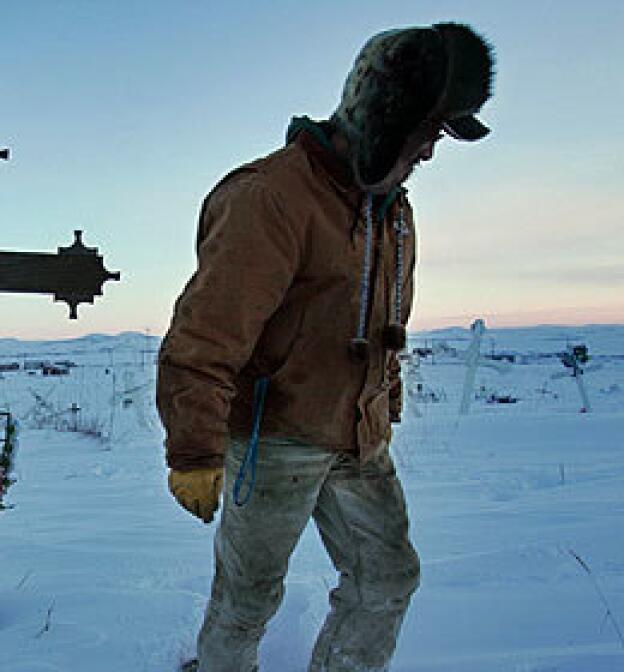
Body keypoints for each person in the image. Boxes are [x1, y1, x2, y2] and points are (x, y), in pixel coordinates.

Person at [157, 23, 494, 672]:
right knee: (248, 597)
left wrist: (383, 401)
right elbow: (206, 333)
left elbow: (386, 317)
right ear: (383, 114)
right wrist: (194, 449)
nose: (428, 152)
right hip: (274, 438)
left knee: (388, 578)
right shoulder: (270, 197)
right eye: (426, 131)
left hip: (356, 437)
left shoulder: (393, 209)